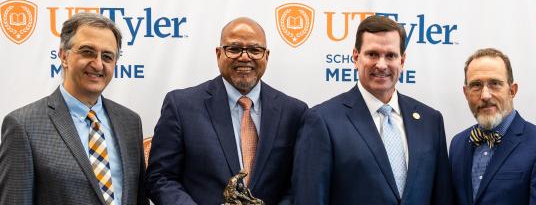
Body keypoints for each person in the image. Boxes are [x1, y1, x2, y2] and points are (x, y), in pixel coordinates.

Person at [145, 17, 308, 204]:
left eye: (255, 50)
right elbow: (161, 178)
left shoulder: (294, 113)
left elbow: (298, 184)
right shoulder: (181, 106)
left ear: (266, 56)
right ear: (218, 54)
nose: (245, 57)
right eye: (234, 49)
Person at [292, 15, 452, 204]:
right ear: (356, 57)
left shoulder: (430, 120)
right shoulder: (322, 120)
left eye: (390, 55)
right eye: (373, 54)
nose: (381, 64)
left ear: (402, 60)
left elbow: (442, 198)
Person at [0, 12, 145, 204]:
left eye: (107, 56)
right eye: (87, 52)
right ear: (63, 56)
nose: (98, 64)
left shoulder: (130, 122)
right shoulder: (23, 125)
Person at [449, 48, 536, 204]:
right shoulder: (458, 144)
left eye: (495, 84)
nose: (485, 95)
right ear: (466, 93)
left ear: (512, 91)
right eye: (476, 85)